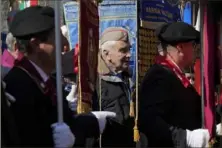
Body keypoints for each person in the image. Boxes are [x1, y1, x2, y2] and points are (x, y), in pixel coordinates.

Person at [4, 6, 115, 147]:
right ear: (36, 44)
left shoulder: (47, 80)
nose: (64, 44)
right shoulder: (17, 86)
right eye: (57, 37)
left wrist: (92, 121)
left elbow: (65, 123)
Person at [138, 22, 220, 147]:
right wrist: (186, 138)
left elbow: (197, 108)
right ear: (180, 48)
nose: (196, 51)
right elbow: (150, 121)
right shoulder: (159, 76)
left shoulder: (174, 74)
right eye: (193, 45)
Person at [95, 27, 135, 147]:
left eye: (129, 49)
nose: (129, 55)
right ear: (106, 54)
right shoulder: (95, 82)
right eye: (123, 50)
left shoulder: (128, 77)